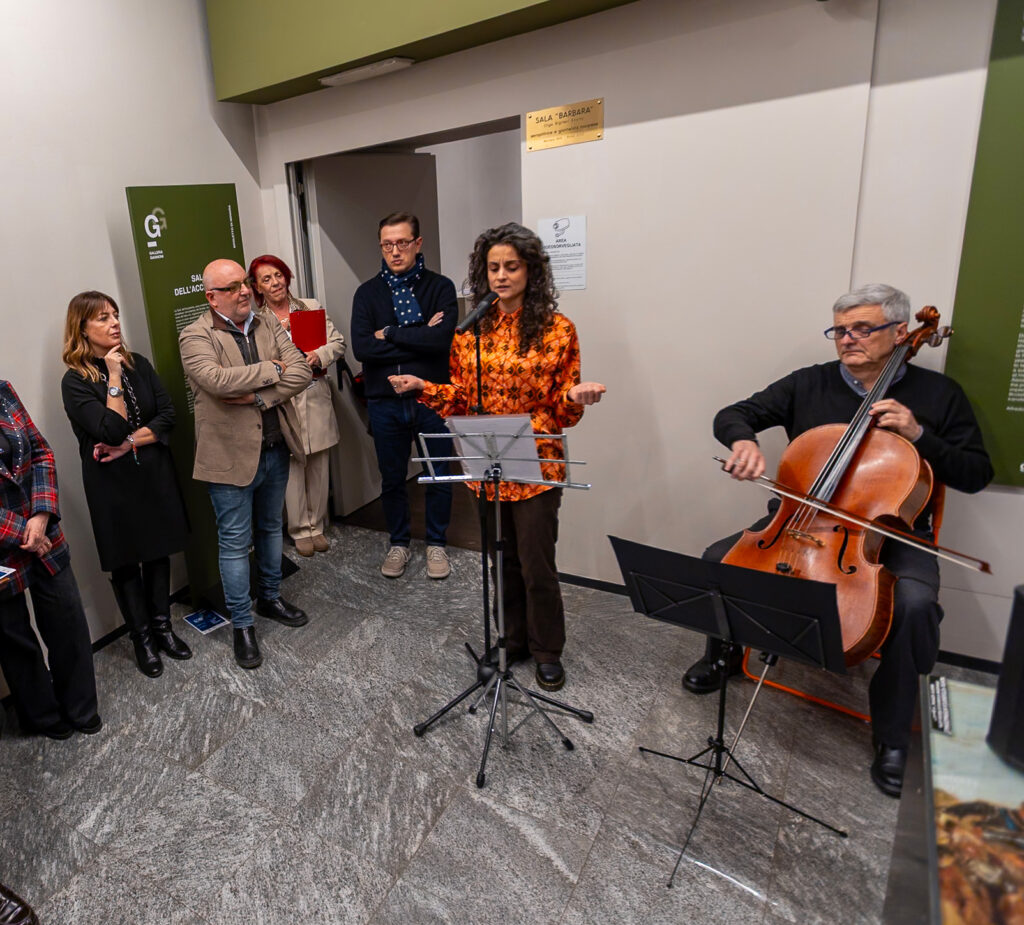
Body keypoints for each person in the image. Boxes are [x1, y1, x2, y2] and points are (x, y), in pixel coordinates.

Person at [682, 283, 993, 797]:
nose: (848, 339)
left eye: (862, 329)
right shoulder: (810, 383)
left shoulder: (940, 396)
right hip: (800, 519)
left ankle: (892, 735)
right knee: (719, 560)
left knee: (914, 605)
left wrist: (920, 436)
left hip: (888, 536)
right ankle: (722, 656)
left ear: (899, 333)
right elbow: (734, 413)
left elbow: (977, 473)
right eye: (840, 330)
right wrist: (742, 439)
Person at [390, 222, 606, 691]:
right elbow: (464, 398)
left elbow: (561, 410)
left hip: (536, 464)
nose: (502, 276)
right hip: (485, 464)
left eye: (511, 266)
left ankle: (548, 649)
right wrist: (425, 388)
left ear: (531, 271)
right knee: (500, 560)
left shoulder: (557, 330)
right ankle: (511, 639)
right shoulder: (471, 331)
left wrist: (576, 398)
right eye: (493, 268)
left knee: (536, 563)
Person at [179, 259, 312, 670]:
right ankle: (242, 624)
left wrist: (259, 395)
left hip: (275, 448)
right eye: (233, 286)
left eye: (245, 284)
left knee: (272, 528)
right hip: (229, 461)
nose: (244, 291)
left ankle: (270, 598)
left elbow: (303, 370)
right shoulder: (194, 334)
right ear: (211, 296)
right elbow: (217, 382)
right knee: (235, 544)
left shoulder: (266, 322)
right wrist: (273, 370)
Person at [61, 291, 192, 678]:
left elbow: (168, 415)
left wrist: (130, 443)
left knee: (157, 553)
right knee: (125, 563)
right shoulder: (75, 382)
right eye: (102, 318)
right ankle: (143, 639)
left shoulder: (140, 364)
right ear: (81, 328)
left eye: (115, 315)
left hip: (152, 472)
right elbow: (111, 427)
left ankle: (163, 628)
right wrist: (113, 376)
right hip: (111, 485)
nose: (114, 323)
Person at [351, 211, 458, 580]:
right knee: (392, 478)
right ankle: (399, 543)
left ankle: (437, 545)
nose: (394, 251)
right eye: (387, 244)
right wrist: (417, 334)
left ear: (417, 243)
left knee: (438, 475)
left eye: (402, 243)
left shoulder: (440, 288)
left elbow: (440, 342)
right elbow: (363, 349)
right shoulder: (367, 294)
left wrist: (391, 333)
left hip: (431, 399)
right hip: (384, 403)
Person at [0, 380, 100, 738]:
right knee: (15, 639)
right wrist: (22, 533)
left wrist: (41, 516)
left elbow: (41, 451)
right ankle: (42, 716)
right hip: (6, 546)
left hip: (42, 531)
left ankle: (81, 707)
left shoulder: (4, 391)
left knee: (67, 620)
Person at [248, 255, 346, 557]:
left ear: (286, 276)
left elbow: (338, 343)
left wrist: (318, 355)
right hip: (284, 398)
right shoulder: (257, 321)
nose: (275, 282)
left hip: (315, 393)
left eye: (278, 275)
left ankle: (317, 525)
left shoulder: (311, 307)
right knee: (291, 463)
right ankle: (300, 529)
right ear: (257, 288)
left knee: (318, 460)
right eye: (266, 279)